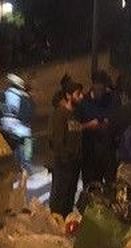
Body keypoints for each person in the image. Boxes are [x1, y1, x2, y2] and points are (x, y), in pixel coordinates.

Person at [46, 83, 85, 216]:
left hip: (74, 163)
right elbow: (57, 141)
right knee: (59, 198)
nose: (81, 96)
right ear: (68, 96)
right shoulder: (60, 114)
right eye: (78, 94)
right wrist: (65, 158)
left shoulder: (75, 114)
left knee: (69, 197)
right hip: (64, 164)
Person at [78, 70, 118, 184]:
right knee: (92, 190)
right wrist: (88, 126)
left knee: (111, 188)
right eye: (97, 89)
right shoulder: (83, 102)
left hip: (108, 154)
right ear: (92, 86)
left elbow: (118, 121)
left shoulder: (112, 99)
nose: (100, 92)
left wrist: (109, 124)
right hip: (90, 155)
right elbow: (74, 127)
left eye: (103, 89)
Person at [0, 73, 35, 168]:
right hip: (25, 134)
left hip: (8, 133)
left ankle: (19, 174)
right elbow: (28, 116)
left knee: (15, 162)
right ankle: (25, 174)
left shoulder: (3, 96)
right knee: (26, 161)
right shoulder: (25, 98)